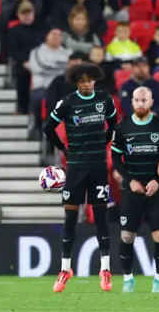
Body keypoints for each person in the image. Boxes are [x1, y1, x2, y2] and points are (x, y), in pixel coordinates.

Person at [42, 63, 118, 293]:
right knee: (70, 218)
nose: (86, 84)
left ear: (95, 80)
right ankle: (65, 269)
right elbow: (48, 128)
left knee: (101, 218)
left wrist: (104, 143)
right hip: (75, 168)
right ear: (76, 82)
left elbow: (113, 126)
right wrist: (64, 150)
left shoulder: (105, 100)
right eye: (82, 81)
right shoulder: (68, 102)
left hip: (98, 167)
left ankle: (105, 269)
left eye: (90, 80)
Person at [110, 87, 159, 293]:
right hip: (132, 190)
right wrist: (130, 181)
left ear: (151, 102)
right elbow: (115, 160)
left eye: (143, 100)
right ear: (132, 103)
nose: (140, 103)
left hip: (157, 190)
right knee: (127, 237)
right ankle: (128, 280)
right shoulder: (122, 129)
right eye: (136, 100)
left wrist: (157, 179)